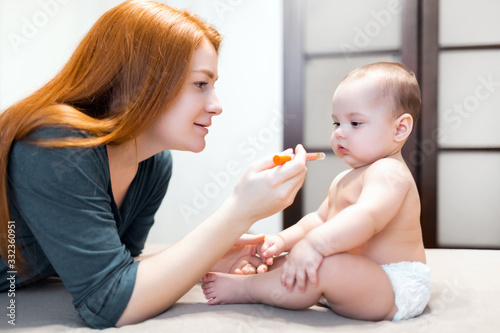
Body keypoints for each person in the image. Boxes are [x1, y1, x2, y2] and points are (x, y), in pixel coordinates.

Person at [0, 0, 307, 329]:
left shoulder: (154, 164)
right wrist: (239, 212)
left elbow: (122, 269)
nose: (217, 105)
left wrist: (209, 256)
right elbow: (109, 303)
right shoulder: (56, 146)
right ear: (141, 81)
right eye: (201, 84)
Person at [201, 62, 431, 322]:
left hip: (392, 285)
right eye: (336, 123)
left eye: (355, 123)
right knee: (291, 262)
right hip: (357, 276)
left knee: (322, 263)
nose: (340, 133)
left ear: (399, 129)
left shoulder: (390, 172)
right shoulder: (345, 178)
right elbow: (318, 221)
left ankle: (247, 289)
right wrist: (283, 241)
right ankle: (252, 269)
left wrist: (315, 245)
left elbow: (367, 218)